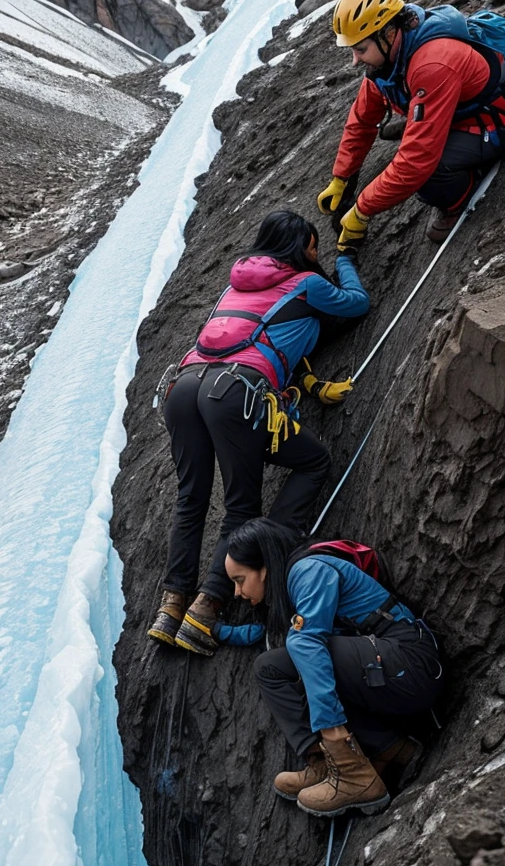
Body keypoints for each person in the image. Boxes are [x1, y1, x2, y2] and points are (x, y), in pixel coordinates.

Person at [147, 209, 370, 656]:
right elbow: (356, 302)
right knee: (285, 479)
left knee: (191, 498)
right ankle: (207, 609)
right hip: (236, 392)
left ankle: (171, 607)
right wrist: (345, 256)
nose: (315, 253)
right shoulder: (306, 284)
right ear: (298, 248)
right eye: (312, 246)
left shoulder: (233, 285)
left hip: (184, 385)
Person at [225, 519, 443, 817]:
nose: (237, 592)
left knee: (303, 648)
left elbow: (307, 643)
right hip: (387, 669)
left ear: (263, 568)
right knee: (271, 667)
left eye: (239, 580)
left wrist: (333, 733)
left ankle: (349, 769)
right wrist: (217, 632)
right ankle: (362, 754)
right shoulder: (295, 580)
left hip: (411, 666)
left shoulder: (308, 570)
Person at [318, 0, 505, 244]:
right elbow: (362, 120)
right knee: (411, 143)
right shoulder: (389, 59)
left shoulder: (432, 64)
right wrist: (342, 178)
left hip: (498, 120)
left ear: (386, 33)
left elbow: (416, 163)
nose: (355, 59)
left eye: (360, 49)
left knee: (428, 176)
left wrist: (362, 211)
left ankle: (461, 197)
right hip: (459, 110)